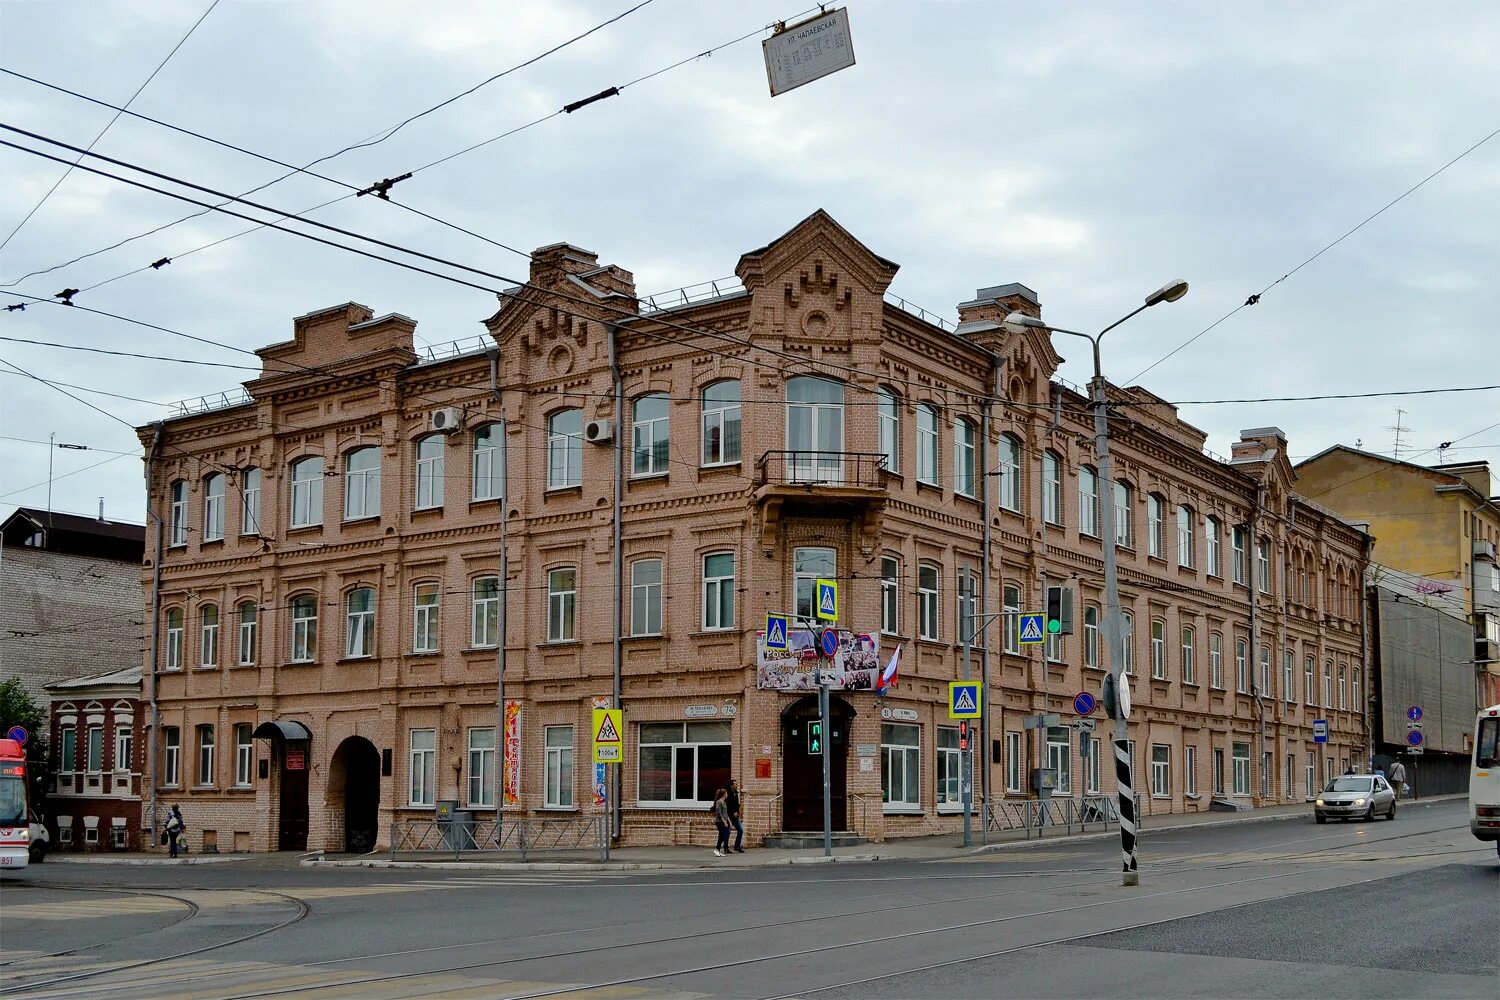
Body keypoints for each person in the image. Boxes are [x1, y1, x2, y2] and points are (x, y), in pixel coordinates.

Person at [726, 778, 746, 853]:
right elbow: (728, 805)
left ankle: (737, 846)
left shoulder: (736, 793)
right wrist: (732, 813)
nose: (737, 785)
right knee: (728, 832)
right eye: (735, 784)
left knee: (740, 830)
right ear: (732, 785)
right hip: (729, 816)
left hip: (735, 816)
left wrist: (737, 812)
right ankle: (726, 848)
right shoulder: (728, 793)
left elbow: (736, 804)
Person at [711, 788, 731, 857]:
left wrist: (729, 822)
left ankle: (718, 850)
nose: (727, 794)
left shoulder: (724, 802)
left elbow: (726, 813)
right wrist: (724, 822)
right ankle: (717, 849)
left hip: (725, 821)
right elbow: (719, 813)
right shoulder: (718, 802)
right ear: (724, 794)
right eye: (726, 793)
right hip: (719, 821)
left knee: (722, 835)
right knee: (725, 834)